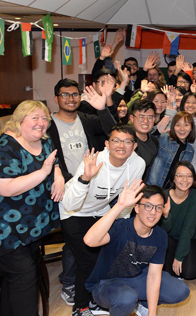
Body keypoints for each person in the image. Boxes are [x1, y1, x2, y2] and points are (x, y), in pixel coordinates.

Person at [60, 124, 146, 316]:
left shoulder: (138, 164)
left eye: (127, 141)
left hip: (102, 212)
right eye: (116, 140)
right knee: (90, 260)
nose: (121, 145)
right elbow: (70, 202)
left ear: (134, 145)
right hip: (73, 212)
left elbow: (128, 199)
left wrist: (123, 227)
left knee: (114, 254)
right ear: (107, 144)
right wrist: (85, 178)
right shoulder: (94, 161)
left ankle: (99, 298)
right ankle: (80, 307)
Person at [83, 182, 190, 316]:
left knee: (181, 291)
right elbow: (89, 240)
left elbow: (153, 276)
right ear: (137, 208)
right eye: (148, 206)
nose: (153, 212)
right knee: (127, 298)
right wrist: (119, 206)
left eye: (158, 207)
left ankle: (142, 305)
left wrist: (152, 313)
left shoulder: (160, 236)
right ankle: (104, 305)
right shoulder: (121, 227)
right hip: (107, 284)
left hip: (137, 278)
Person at [0, 100, 64, 316]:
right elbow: (6, 188)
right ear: (20, 119)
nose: (41, 123)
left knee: (14, 280)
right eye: (35, 118)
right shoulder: (6, 145)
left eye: (44, 118)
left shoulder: (44, 140)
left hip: (33, 226)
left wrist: (59, 176)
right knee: (25, 277)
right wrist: (43, 173)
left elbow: (54, 163)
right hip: (7, 230)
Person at [160, 162, 196, 280]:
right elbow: (164, 230)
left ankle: (178, 257)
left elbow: (188, 229)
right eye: (180, 175)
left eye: (189, 176)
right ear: (173, 178)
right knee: (168, 274)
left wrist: (179, 257)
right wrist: (165, 215)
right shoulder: (163, 196)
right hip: (168, 239)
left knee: (190, 273)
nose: (185, 180)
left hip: (188, 238)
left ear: (193, 179)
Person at [148, 111, 196, 188]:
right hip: (151, 187)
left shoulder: (190, 151)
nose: (182, 129)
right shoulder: (163, 138)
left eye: (186, 125)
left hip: (169, 192)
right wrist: (157, 132)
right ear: (173, 126)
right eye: (178, 125)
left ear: (191, 128)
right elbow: (146, 144)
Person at [130, 100, 161, 181]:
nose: (146, 121)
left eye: (150, 117)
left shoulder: (154, 142)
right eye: (141, 117)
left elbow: (148, 172)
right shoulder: (125, 138)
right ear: (132, 118)